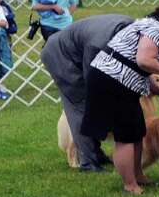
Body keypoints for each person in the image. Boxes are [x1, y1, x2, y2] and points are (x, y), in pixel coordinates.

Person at [82, 1, 159, 195]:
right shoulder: (156, 29)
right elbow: (144, 60)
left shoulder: (145, 24)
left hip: (115, 79)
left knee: (137, 130)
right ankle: (130, 185)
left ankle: (138, 175)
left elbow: (140, 66)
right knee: (125, 136)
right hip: (113, 80)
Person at [41, 13, 132, 172]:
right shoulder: (98, 43)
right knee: (81, 106)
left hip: (74, 49)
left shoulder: (129, 29)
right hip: (59, 55)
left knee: (94, 106)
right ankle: (87, 162)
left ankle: (96, 153)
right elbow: (92, 75)